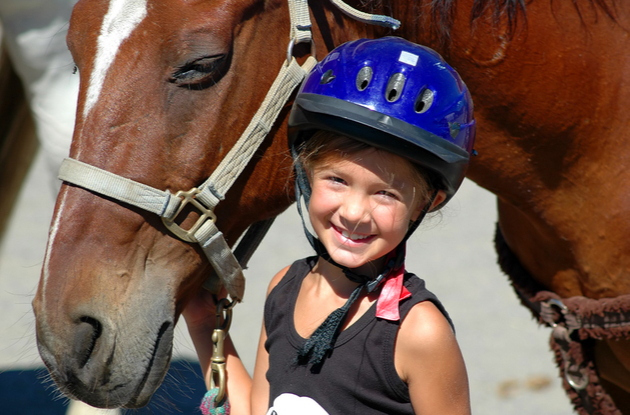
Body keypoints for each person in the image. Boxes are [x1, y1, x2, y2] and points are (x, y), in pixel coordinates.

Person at [183, 36, 475, 415]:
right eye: (337, 180)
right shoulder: (285, 288)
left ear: (427, 202)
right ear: (305, 172)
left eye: (385, 193)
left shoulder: (418, 333)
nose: (354, 212)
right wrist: (204, 322)